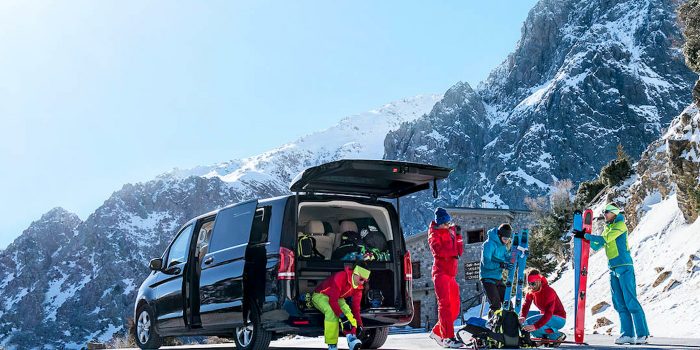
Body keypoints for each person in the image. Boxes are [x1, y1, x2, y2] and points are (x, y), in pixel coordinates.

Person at [573, 203, 649, 345]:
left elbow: (605, 239)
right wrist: (582, 236)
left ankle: (643, 334)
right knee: (619, 303)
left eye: (606, 212)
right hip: (613, 268)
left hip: (625, 266)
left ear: (614, 213)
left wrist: (587, 235)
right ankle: (627, 334)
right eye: (604, 212)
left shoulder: (620, 225)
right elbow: (597, 245)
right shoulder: (608, 227)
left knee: (631, 301)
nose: (604, 214)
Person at [312, 262, 370, 350]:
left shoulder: (359, 288)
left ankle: (352, 338)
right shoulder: (341, 277)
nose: (362, 283)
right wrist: (342, 317)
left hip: (338, 298)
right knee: (331, 312)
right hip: (320, 295)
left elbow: (356, 309)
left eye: (365, 281)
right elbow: (332, 301)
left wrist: (360, 325)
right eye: (361, 279)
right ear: (355, 273)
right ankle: (332, 345)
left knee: (348, 311)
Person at [428, 207, 463, 349]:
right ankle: (448, 338)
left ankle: (437, 332)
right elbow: (439, 252)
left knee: (455, 308)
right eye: (446, 223)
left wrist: (459, 236)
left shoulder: (452, 231)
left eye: (449, 222)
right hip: (440, 273)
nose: (449, 225)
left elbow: (459, 251)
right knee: (445, 306)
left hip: (451, 274)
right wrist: (454, 250)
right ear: (440, 223)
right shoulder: (433, 234)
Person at [519, 269, 567, 342]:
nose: (531, 286)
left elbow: (549, 312)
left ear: (538, 281)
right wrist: (523, 316)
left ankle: (556, 335)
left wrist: (536, 326)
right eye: (529, 283)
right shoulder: (531, 292)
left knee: (530, 322)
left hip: (558, 318)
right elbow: (526, 305)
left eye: (533, 284)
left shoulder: (549, 291)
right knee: (523, 319)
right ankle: (544, 337)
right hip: (546, 316)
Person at [480, 223, 513, 317]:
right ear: (499, 235)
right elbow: (486, 263)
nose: (506, 241)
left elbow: (507, 257)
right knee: (496, 304)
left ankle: (509, 324)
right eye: (505, 239)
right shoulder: (488, 244)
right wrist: (500, 265)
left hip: (498, 278)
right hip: (487, 278)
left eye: (508, 239)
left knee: (507, 302)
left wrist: (519, 254)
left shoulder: (503, 246)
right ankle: (492, 324)